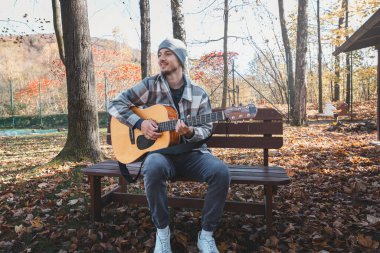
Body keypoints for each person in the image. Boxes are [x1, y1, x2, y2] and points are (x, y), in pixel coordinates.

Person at [108, 38, 230, 253]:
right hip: (161, 154)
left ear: (180, 59)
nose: (161, 58)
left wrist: (190, 131)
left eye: (167, 53)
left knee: (221, 172)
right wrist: (140, 122)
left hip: (192, 154)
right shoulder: (149, 85)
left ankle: (206, 234)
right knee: (152, 166)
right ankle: (162, 231)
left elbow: (207, 129)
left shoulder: (199, 94)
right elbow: (114, 104)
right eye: (159, 54)